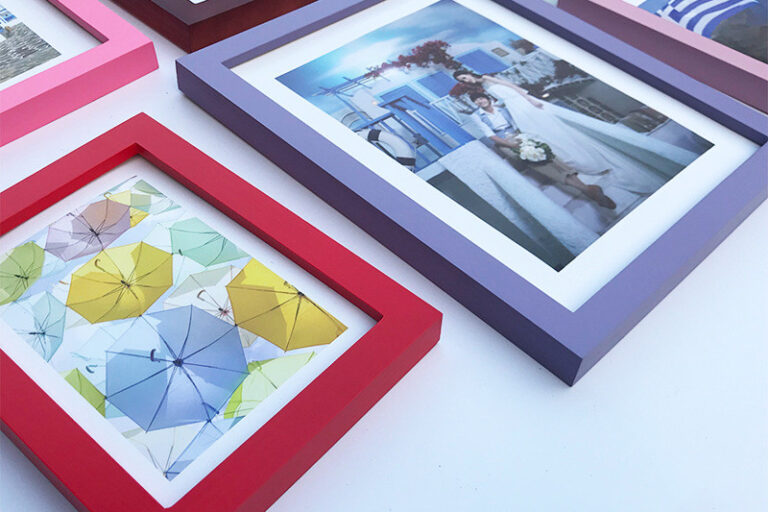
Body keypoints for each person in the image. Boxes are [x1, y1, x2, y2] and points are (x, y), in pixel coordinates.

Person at [453, 69, 668, 196]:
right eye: (462, 81)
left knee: (551, 128)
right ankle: (576, 162)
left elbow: (511, 87)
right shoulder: (481, 90)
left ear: (469, 73)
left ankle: (585, 157)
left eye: (465, 77)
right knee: (540, 134)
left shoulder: (487, 78)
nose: (465, 81)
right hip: (516, 110)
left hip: (523, 103)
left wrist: (529, 99)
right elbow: (500, 102)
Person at [469, 92, 617, 209]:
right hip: (505, 142)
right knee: (540, 164)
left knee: (551, 158)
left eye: (481, 98)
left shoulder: (502, 108)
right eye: (476, 101)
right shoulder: (477, 116)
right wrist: (510, 145)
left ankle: (589, 191)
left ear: (487, 98)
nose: (479, 101)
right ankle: (589, 190)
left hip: (520, 134)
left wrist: (524, 136)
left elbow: (518, 122)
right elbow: (491, 136)